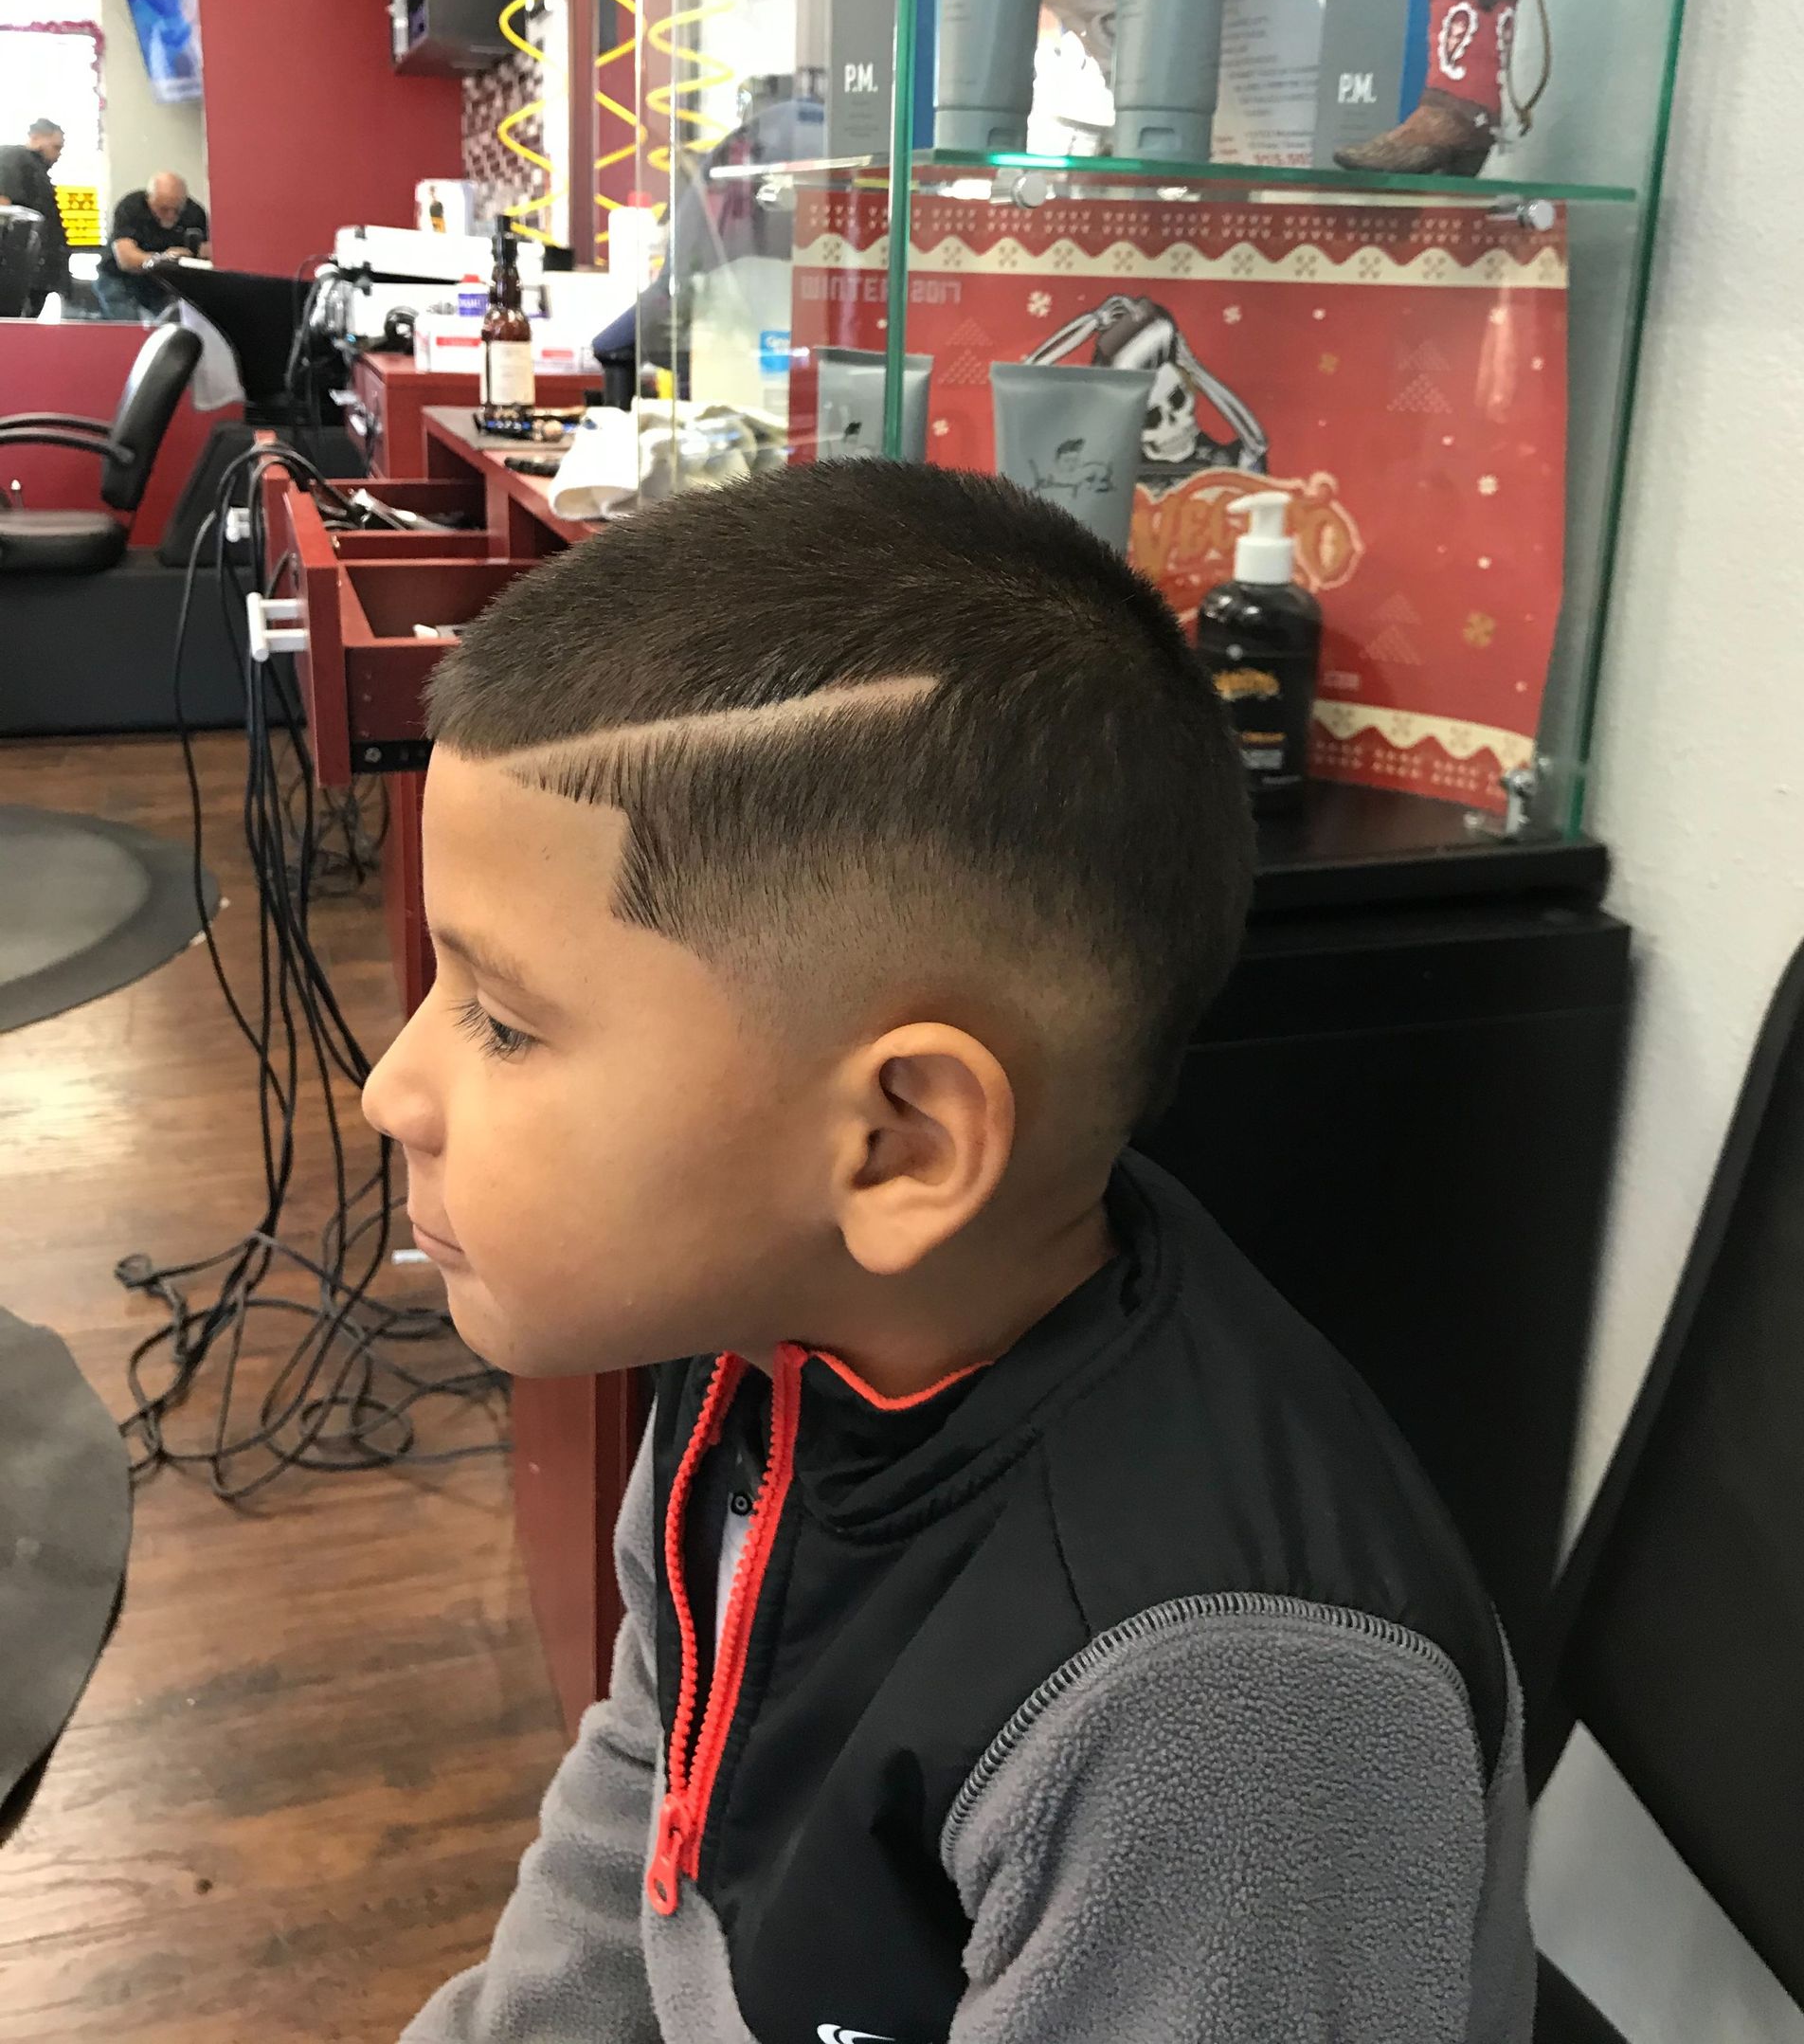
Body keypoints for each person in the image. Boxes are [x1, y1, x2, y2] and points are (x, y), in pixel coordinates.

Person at [364, 463, 1535, 2044]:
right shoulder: (778, 1341)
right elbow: (658, 1796)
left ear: (901, 1143)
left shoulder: (1217, 1716)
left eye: (501, 1019)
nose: (392, 1088)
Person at [96, 171, 210, 318]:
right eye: (163, 209)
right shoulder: (131, 207)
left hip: (160, 284)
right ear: (149, 200)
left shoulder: (195, 213)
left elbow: (208, 255)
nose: (171, 215)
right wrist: (164, 260)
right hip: (119, 279)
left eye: (177, 209)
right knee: (128, 326)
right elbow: (126, 260)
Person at [0, 118, 70, 314]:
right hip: (22, 268)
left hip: (37, 268)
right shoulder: (14, 158)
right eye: (56, 147)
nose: (58, 154)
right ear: (36, 138)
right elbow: (3, 205)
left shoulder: (36, 169)